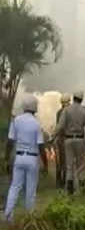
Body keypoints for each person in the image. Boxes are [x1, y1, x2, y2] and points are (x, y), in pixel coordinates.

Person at [3, 94, 48, 222]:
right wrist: (45, 164)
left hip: (19, 158)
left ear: (24, 107)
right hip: (32, 159)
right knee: (31, 191)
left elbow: (10, 142)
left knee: (14, 187)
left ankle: (8, 216)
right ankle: (29, 218)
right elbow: (41, 146)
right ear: (35, 108)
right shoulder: (36, 124)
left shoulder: (16, 120)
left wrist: (6, 159)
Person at [52, 91, 85, 195]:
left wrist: (53, 136)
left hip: (68, 140)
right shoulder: (84, 111)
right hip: (80, 140)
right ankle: (82, 189)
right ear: (81, 99)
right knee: (81, 165)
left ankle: (70, 192)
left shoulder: (66, 110)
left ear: (73, 98)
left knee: (69, 166)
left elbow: (60, 126)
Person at [55, 93, 70, 189]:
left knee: (60, 161)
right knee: (67, 162)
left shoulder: (59, 112)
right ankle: (65, 180)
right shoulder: (69, 112)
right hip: (67, 139)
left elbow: (58, 126)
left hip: (61, 139)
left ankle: (59, 181)